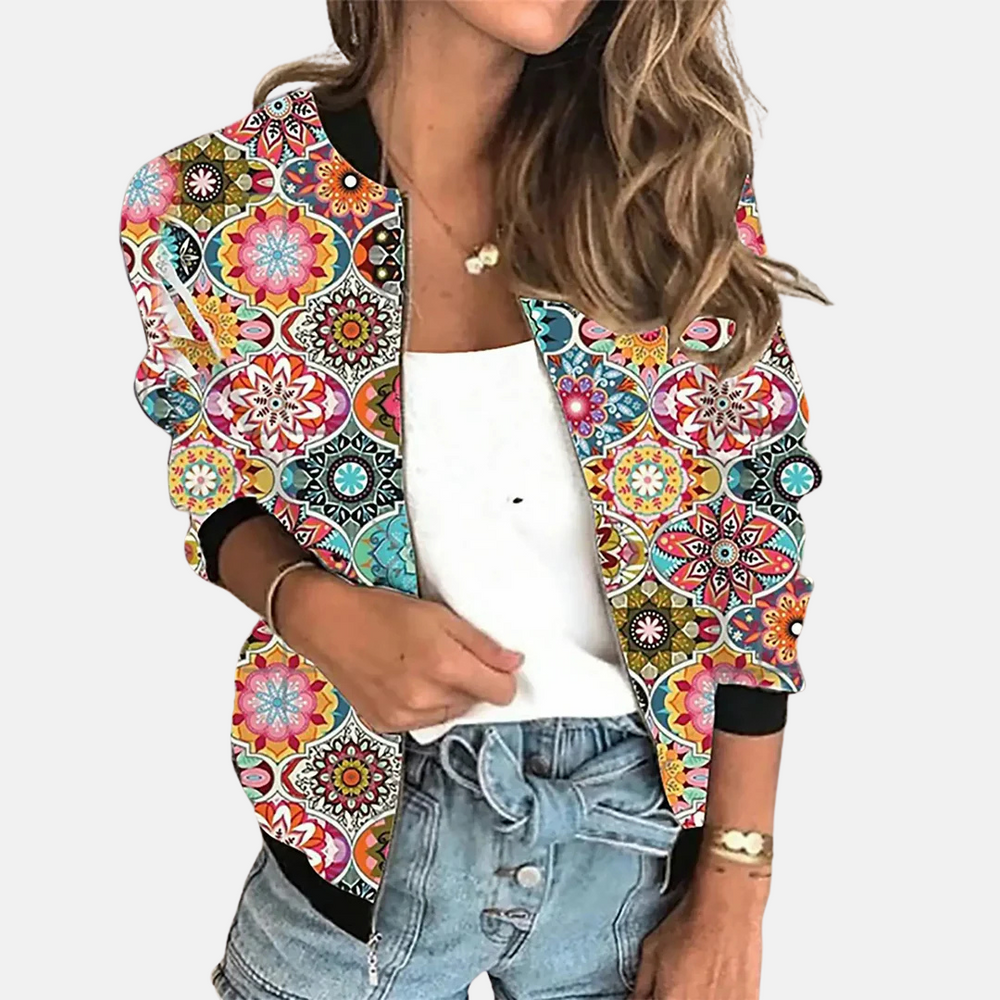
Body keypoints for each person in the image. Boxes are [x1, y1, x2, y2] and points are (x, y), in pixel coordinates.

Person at [119, 2, 827, 997]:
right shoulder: (211, 200)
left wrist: (736, 891)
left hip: (627, 864)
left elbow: (750, 543)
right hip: (349, 845)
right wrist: (309, 607)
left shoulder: (660, 184)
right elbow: (212, 481)